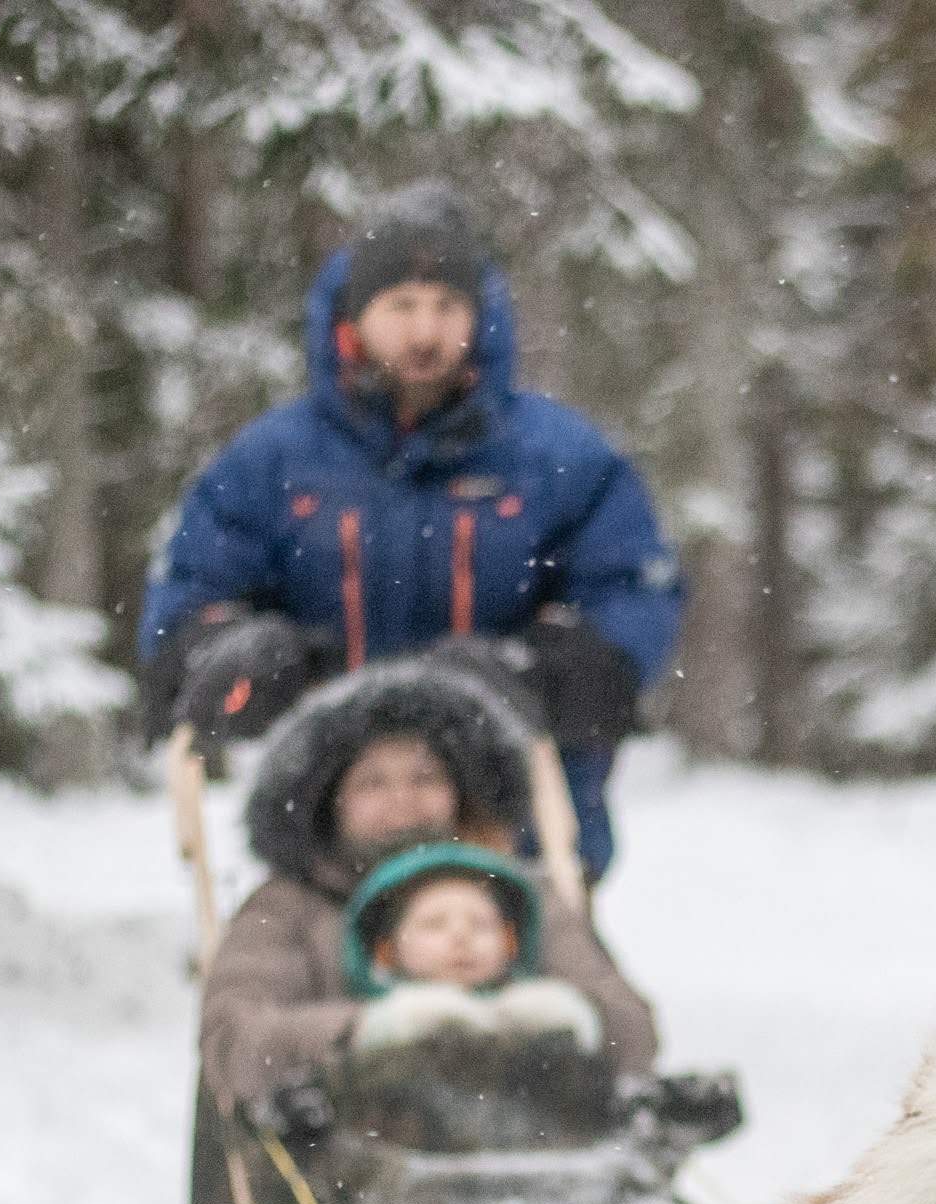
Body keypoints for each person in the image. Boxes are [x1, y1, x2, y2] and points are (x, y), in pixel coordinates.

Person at [138, 183, 681, 880]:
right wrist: (232, 647)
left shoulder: (559, 457)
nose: (425, 332)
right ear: (353, 319)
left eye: (447, 307)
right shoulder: (271, 462)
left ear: (479, 318)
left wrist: (544, 664)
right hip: (331, 833)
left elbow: (632, 589)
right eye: (401, 306)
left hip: (516, 828)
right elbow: (191, 595)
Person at [199, 660, 656, 1111]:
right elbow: (234, 1042)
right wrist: (369, 1030)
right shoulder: (288, 905)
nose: (403, 799)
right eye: (372, 783)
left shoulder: (517, 891)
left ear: (460, 790)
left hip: (528, 1130)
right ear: (329, 802)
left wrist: (552, 1017)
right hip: (345, 1138)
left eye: (425, 777)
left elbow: (632, 1030)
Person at [338, 841, 606, 1055]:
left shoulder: (547, 1025)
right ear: (385, 951)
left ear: (510, 943)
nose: (461, 936)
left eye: (480, 925)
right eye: (434, 924)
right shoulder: (379, 1039)